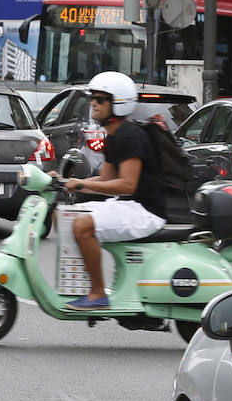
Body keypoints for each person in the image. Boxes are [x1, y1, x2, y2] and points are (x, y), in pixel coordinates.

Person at [58, 72, 167, 312]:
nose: (93, 104)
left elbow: (127, 184)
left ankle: (97, 293)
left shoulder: (130, 136)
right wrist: (68, 181)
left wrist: (80, 184)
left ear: (118, 103)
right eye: (92, 98)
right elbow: (107, 178)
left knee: (82, 225)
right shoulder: (114, 135)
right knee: (64, 215)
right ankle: (80, 285)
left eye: (100, 99)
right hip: (126, 203)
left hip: (145, 210)